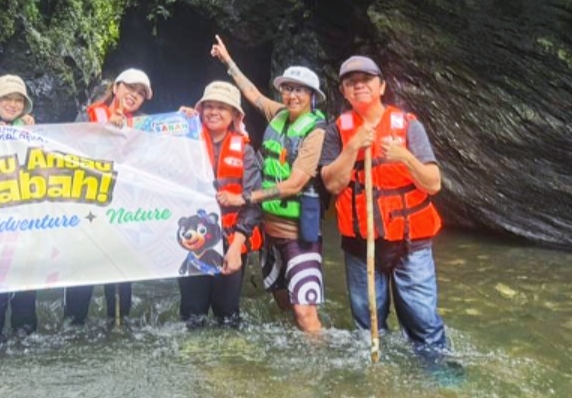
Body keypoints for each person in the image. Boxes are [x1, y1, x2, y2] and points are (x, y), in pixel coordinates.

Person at [319, 55, 449, 355]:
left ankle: (436, 375)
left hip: (409, 243)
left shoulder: (408, 126)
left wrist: (404, 157)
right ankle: (379, 380)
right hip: (360, 246)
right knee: (368, 327)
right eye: (350, 82)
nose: (358, 85)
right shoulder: (337, 131)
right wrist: (352, 147)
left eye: (366, 79)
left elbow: (433, 183)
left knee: (423, 322)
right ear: (344, 92)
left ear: (381, 87)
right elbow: (332, 183)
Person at [212, 37, 326, 333]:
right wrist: (228, 62)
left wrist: (245, 198)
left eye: (299, 90)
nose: (292, 95)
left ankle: (319, 366)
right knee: (284, 303)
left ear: (312, 95)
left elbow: (295, 183)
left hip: (299, 233)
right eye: (288, 88)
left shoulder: (315, 132)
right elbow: (251, 93)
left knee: (304, 312)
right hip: (269, 233)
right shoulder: (278, 113)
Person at [63, 68, 153, 325]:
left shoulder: (145, 124)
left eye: (140, 93)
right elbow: (66, 151)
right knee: (80, 285)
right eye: (129, 88)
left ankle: (117, 337)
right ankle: (74, 334)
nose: (133, 95)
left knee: (120, 291)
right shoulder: (87, 115)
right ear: (115, 88)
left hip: (122, 214)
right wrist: (102, 129)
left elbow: (168, 143)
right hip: (86, 211)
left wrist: (186, 118)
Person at [179, 81, 262, 327]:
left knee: (227, 314)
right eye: (209, 106)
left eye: (221, 108)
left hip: (230, 238)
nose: (213, 112)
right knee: (193, 314)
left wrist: (236, 247)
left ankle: (227, 364)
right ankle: (194, 360)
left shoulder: (245, 152)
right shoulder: (184, 139)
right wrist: (177, 121)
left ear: (234, 115)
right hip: (193, 240)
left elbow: (254, 202)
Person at [0, 74, 39, 336]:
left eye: (18, 100)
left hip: (26, 217)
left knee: (27, 285)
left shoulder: (32, 130)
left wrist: (31, 133)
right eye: (6, 99)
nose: (13, 104)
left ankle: (25, 337)